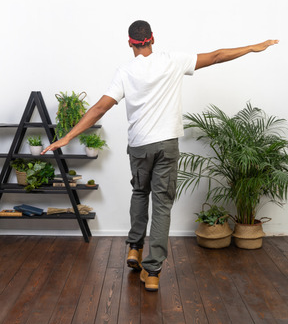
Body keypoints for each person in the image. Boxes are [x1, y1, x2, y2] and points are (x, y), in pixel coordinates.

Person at [42, 20, 279, 292]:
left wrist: (67, 137)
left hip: (140, 146)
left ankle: (134, 247)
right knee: (162, 205)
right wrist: (253, 47)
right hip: (167, 144)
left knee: (140, 193)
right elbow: (215, 56)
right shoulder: (172, 61)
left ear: (130, 42)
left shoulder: (125, 72)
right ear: (152, 39)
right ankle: (152, 272)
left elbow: (98, 108)